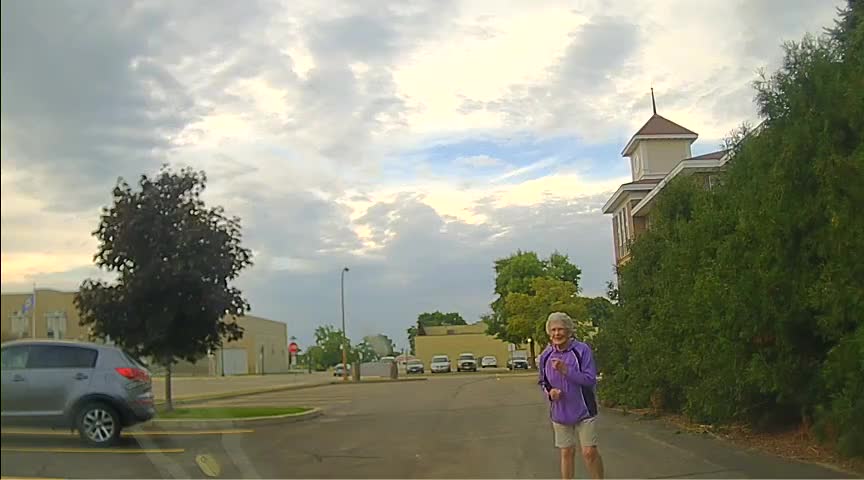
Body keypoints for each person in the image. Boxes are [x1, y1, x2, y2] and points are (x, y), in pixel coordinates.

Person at [538, 312, 604, 479]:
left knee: (589, 452)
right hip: (560, 412)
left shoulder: (582, 351)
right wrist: (550, 393)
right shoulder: (546, 355)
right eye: (553, 330)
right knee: (566, 452)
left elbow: (590, 380)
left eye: (560, 329)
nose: (556, 334)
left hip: (584, 410)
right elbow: (543, 382)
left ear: (569, 331)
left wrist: (566, 370)